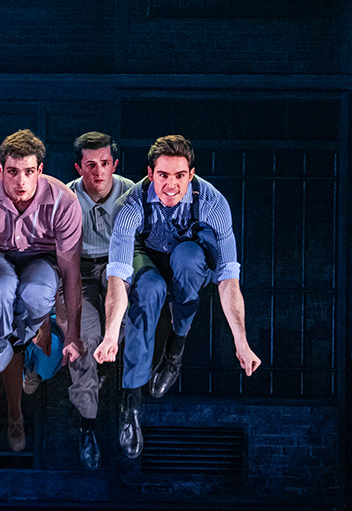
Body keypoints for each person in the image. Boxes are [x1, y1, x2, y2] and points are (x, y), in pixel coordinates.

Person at [94, 135, 262, 460]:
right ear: (150, 174)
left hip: (189, 256)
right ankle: (131, 402)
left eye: (179, 176)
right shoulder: (129, 206)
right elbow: (118, 277)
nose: (171, 185)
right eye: (163, 175)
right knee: (149, 290)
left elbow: (228, 279)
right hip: (146, 256)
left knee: (187, 258)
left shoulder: (213, 204)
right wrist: (111, 335)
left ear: (191, 174)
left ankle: (175, 349)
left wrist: (242, 343)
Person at [0, 130, 83, 453]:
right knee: (1, 287)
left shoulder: (64, 200)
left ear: (40, 170)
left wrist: (73, 332)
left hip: (41, 260)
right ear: (0, 170)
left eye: (28, 171)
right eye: (12, 171)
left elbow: (70, 270)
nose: (20, 181)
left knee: (37, 293)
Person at [62, 131, 136, 470]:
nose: (99, 172)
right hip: (79, 270)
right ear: (79, 168)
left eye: (105, 163)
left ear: (114, 164)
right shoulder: (66, 197)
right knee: (84, 337)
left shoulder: (131, 193)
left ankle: (126, 402)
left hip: (119, 267)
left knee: (128, 324)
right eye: (90, 165)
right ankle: (87, 423)